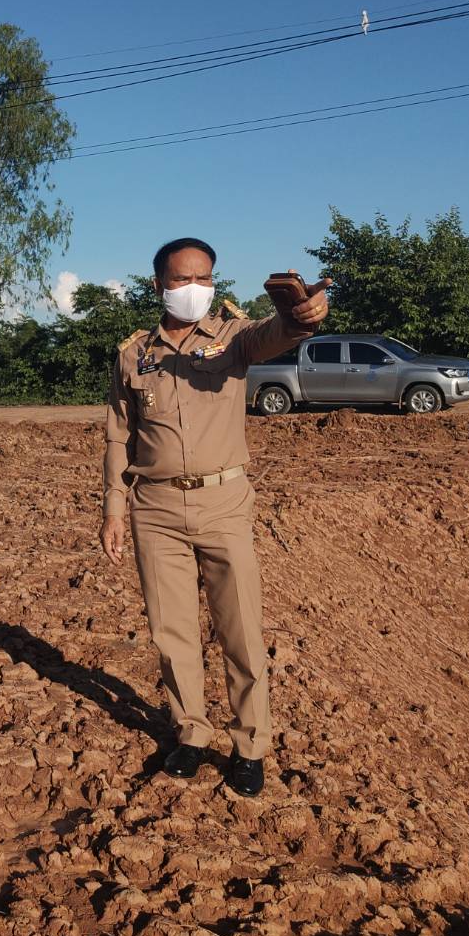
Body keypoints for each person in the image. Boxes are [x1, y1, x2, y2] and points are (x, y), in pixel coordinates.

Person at [100, 239, 328, 797]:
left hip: (224, 503)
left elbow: (272, 336)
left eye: (205, 279)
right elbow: (118, 433)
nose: (195, 290)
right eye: (183, 280)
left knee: (241, 629)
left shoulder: (232, 336)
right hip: (153, 508)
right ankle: (192, 732)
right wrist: (112, 506)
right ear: (158, 286)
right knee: (171, 631)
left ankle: (250, 745)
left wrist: (298, 319)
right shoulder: (134, 354)